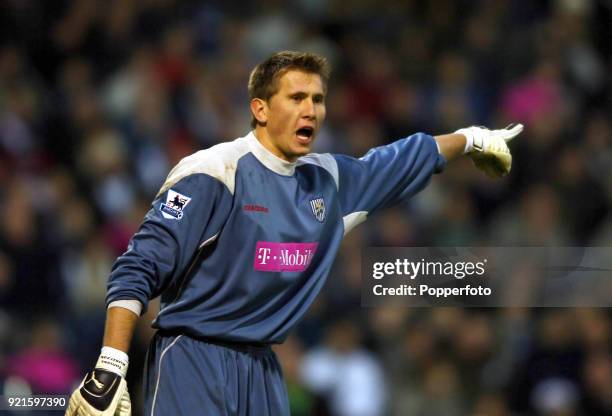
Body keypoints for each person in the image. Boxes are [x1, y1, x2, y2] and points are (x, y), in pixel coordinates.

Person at [66, 50, 523, 415]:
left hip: (263, 368)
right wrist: (111, 363)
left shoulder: (327, 180)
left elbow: (403, 159)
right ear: (260, 109)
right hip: (194, 358)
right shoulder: (213, 172)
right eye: (297, 97)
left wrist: (471, 138)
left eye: (318, 99)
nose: (311, 110)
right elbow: (138, 267)